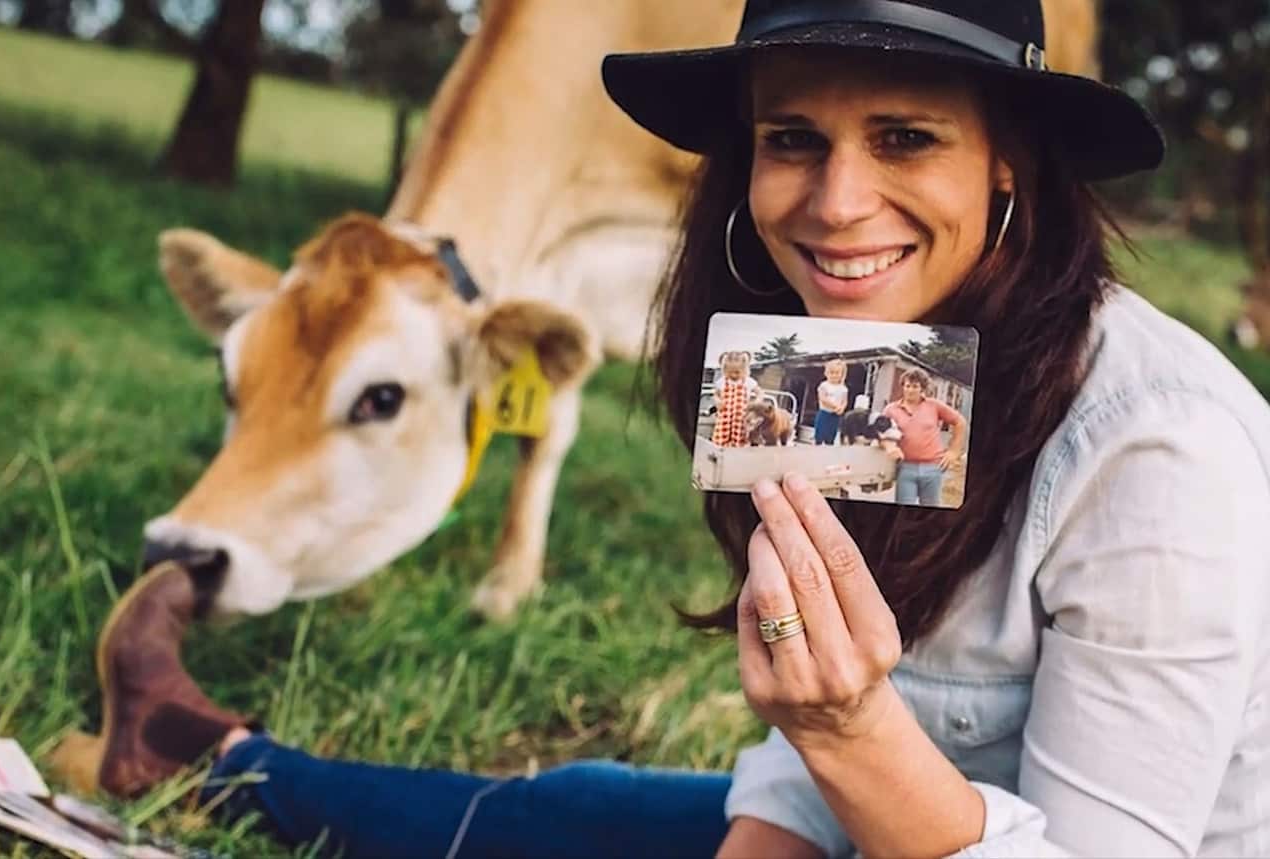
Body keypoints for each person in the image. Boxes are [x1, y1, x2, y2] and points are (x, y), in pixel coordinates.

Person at [84, 2, 1270, 857]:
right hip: (880, 826)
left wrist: (848, 731)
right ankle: (210, 752)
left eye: (904, 136)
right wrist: (801, 778)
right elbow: (799, 775)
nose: (835, 203)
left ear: (1008, 158)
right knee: (574, 806)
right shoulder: (846, 364)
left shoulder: (1156, 445)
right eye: (791, 138)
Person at [881, 368, 967, 505]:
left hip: (933, 467)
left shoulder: (934, 405)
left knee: (930, 513)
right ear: (902, 386)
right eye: (907, 386)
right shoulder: (891, 409)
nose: (910, 390)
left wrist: (954, 451)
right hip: (905, 467)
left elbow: (960, 422)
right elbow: (881, 433)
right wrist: (889, 446)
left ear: (922, 388)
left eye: (915, 386)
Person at [812, 359, 849, 445]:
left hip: (835, 416)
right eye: (832, 373)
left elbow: (844, 401)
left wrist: (842, 408)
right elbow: (823, 399)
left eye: (837, 373)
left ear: (842, 374)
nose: (834, 375)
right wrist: (835, 406)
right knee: (819, 436)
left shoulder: (843, 389)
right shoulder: (824, 385)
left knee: (831, 437)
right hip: (824, 414)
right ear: (826, 373)